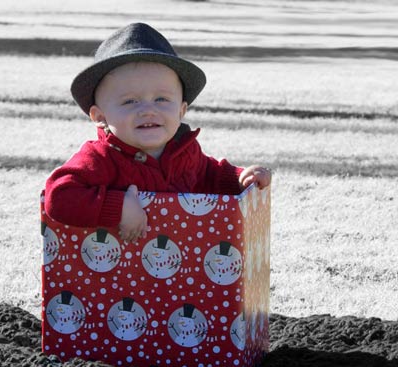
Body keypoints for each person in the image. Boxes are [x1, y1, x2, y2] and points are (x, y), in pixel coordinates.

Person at [45, 23, 271, 243]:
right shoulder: (100, 158)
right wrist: (117, 206)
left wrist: (240, 179)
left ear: (181, 110)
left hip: (180, 272)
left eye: (161, 99)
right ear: (100, 116)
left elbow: (209, 175)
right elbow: (57, 197)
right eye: (130, 101)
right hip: (116, 276)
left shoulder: (185, 150)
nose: (148, 110)